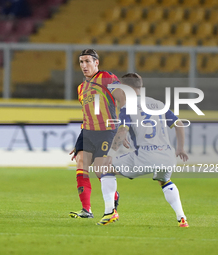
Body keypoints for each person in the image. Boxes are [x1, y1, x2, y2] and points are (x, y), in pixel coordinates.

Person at [97, 73, 189, 227]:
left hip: (145, 155)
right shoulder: (158, 104)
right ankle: (182, 218)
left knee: (105, 168)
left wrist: (110, 154)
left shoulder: (127, 107)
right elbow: (179, 124)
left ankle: (109, 212)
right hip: (167, 156)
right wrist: (180, 148)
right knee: (164, 181)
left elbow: (122, 131)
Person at [69, 49, 125, 219]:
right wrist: (79, 140)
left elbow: (123, 99)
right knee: (81, 165)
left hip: (107, 131)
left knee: (100, 170)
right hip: (87, 132)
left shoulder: (106, 77)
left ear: (96, 62)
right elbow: (87, 112)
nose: (84, 65)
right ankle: (87, 210)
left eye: (87, 61)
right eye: (81, 62)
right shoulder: (81, 88)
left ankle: (113, 198)